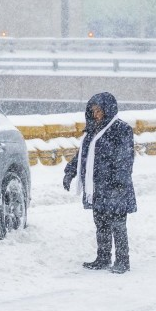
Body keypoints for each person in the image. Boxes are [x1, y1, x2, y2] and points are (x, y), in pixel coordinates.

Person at [63, 92, 137, 274]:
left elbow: (125, 158)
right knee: (101, 223)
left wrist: (118, 182)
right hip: (97, 187)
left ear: (108, 110)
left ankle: (123, 261)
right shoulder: (92, 130)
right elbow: (83, 155)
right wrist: (70, 172)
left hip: (115, 187)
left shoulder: (121, 129)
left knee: (118, 225)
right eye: (93, 111)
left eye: (99, 110)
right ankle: (103, 258)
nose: (96, 114)